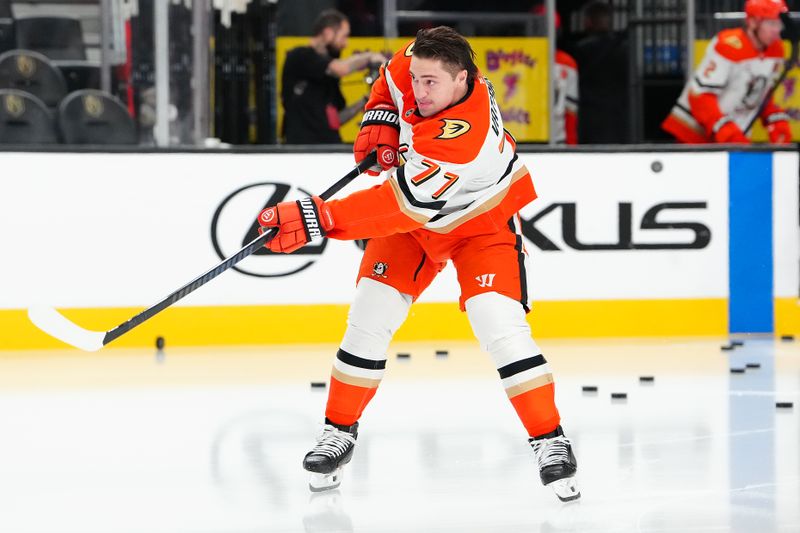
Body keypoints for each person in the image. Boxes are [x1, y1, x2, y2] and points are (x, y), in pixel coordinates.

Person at [258, 26, 580, 502]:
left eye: (432, 84)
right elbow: (389, 79)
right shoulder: (417, 62)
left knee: (499, 323)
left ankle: (550, 439)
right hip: (417, 224)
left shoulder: (462, 137)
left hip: (479, 222)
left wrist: (318, 215)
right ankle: (338, 433)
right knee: (368, 315)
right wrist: (381, 117)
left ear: (462, 80)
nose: (420, 91)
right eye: (418, 79)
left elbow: (400, 204)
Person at [662, 0, 792, 144]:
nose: (777, 30)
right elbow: (700, 96)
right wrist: (726, 131)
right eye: (771, 24)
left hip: (732, 137)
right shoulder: (727, 45)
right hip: (694, 135)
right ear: (752, 22)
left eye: (779, 24)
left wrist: (775, 120)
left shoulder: (776, 50)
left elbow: (760, 94)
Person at [281, 9, 386, 144]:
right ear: (328, 33)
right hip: (302, 148)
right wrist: (369, 56)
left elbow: (336, 120)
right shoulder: (300, 56)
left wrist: (366, 100)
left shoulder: (328, 75)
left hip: (330, 148)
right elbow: (340, 68)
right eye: (343, 36)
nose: (345, 43)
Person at [572, 1, 629, 143]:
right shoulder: (625, 48)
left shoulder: (580, 50)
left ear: (587, 21)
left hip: (589, 116)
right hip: (620, 116)